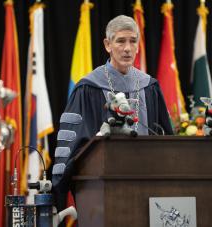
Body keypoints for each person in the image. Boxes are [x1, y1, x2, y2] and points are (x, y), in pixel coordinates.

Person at [52, 15, 173, 211]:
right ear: (108, 45)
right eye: (121, 41)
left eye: (133, 41)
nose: (127, 48)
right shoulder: (88, 88)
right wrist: (57, 193)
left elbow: (166, 139)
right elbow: (71, 147)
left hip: (148, 187)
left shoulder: (149, 86)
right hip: (102, 192)